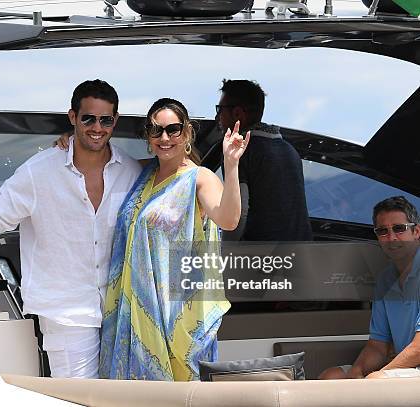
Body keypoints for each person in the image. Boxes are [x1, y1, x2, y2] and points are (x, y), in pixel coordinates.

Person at [0, 79, 142, 378]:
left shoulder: (131, 170)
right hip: (66, 312)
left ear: (115, 121)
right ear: (73, 117)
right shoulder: (39, 171)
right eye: (88, 118)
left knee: (125, 396)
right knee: (78, 399)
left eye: (105, 119)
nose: (97, 127)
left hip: (123, 310)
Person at [99, 98, 248, 381]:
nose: (164, 138)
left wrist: (231, 165)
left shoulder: (199, 178)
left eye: (173, 129)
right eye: (156, 130)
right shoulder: (143, 174)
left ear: (188, 132)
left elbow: (228, 219)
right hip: (133, 315)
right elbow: (100, 161)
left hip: (179, 317)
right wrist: (70, 140)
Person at [319, 196, 420, 379]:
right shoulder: (385, 280)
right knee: (331, 377)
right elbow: (377, 345)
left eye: (399, 228)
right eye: (383, 231)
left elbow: (418, 349)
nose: (391, 238)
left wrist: (379, 375)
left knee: (376, 380)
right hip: (406, 369)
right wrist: (357, 371)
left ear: (416, 232)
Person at [214, 79, 312, 241]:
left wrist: (225, 254)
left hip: (262, 258)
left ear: (237, 113)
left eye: (220, 109)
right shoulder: (289, 150)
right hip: (301, 254)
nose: (218, 116)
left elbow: (238, 213)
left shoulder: (239, 152)